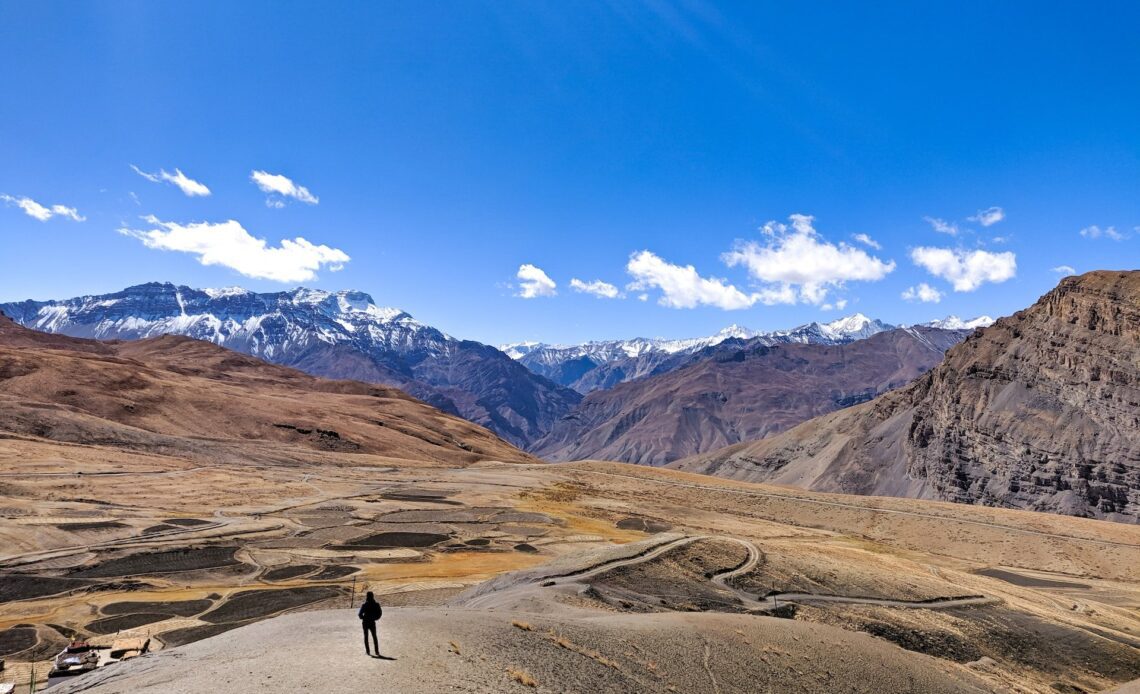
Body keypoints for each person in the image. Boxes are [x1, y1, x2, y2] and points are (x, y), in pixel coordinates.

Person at [358, 591, 382, 656]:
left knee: (366, 637)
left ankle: (368, 651)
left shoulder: (364, 605)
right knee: (374, 636)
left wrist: (363, 618)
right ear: (373, 596)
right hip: (372, 622)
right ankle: (377, 652)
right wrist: (375, 618)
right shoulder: (376, 604)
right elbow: (379, 613)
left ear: (367, 597)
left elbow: (360, 614)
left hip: (365, 622)